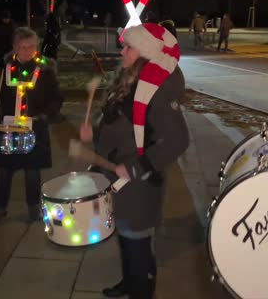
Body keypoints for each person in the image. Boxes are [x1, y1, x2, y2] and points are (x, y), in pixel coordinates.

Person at [79, 23, 189, 299]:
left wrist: (135, 168)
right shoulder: (130, 79)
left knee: (137, 241)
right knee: (127, 237)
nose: (122, 50)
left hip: (139, 183)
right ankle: (129, 282)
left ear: (145, 52)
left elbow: (177, 140)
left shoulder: (156, 90)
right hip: (119, 178)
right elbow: (120, 119)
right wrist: (96, 131)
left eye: (129, 46)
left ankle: (141, 289)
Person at [0, 27, 63, 223]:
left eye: (31, 47)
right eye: (23, 47)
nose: (28, 51)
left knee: (32, 170)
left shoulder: (45, 70)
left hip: (35, 127)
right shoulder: (6, 69)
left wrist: (46, 115)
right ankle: (0, 208)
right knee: (4, 170)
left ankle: (33, 207)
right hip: (9, 128)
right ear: (14, 47)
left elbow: (56, 98)